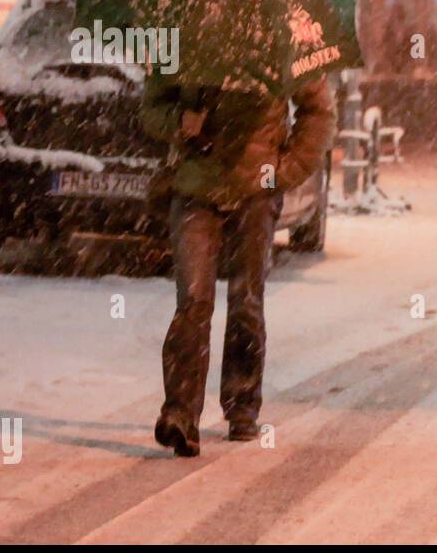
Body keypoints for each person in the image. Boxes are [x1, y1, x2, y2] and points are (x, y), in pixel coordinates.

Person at [141, 74, 334, 457]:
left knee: (246, 298)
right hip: (195, 189)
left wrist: (285, 169)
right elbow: (152, 108)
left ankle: (242, 406)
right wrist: (180, 122)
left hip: (255, 192)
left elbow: (319, 112)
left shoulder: (282, 32)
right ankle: (180, 414)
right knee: (193, 300)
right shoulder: (187, 29)